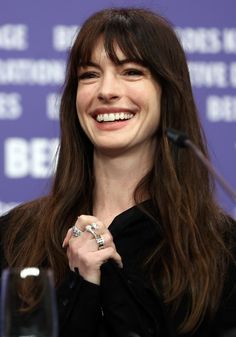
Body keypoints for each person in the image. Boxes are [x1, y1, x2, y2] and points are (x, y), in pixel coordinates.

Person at [0, 7, 236, 337]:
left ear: (168, 92)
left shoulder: (221, 247)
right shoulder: (16, 236)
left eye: (131, 72)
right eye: (89, 75)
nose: (106, 91)